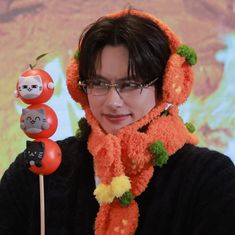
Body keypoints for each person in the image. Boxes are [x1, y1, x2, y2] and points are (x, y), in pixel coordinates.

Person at [0, 8, 235, 235]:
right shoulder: (38, 169)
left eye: (130, 85)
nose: (113, 101)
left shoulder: (210, 177)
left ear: (166, 86)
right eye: (99, 83)